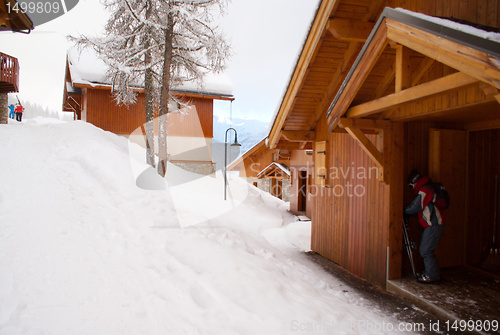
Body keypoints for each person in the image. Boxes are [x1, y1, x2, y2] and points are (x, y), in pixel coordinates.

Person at [404, 169, 445, 284]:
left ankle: (432, 275)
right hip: (433, 224)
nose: (411, 188)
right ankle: (432, 273)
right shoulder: (427, 188)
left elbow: (416, 206)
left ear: (414, 182)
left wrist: (404, 211)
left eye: (411, 185)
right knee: (426, 250)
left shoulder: (425, 190)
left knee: (425, 250)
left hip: (434, 224)